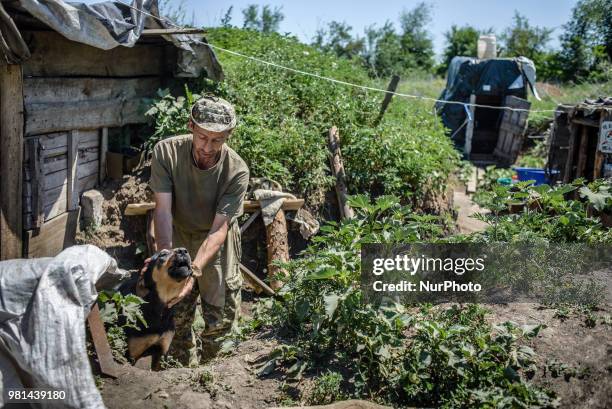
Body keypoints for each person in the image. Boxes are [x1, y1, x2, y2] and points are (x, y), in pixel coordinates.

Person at [148, 96, 249, 366]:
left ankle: (215, 378)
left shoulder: (236, 170)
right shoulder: (166, 152)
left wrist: (194, 271)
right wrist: (167, 261)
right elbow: (162, 211)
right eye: (203, 137)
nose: (208, 147)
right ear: (190, 126)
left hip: (217, 242)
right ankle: (180, 376)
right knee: (175, 313)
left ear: (229, 134)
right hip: (177, 232)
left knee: (221, 319)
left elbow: (218, 230)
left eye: (218, 140)